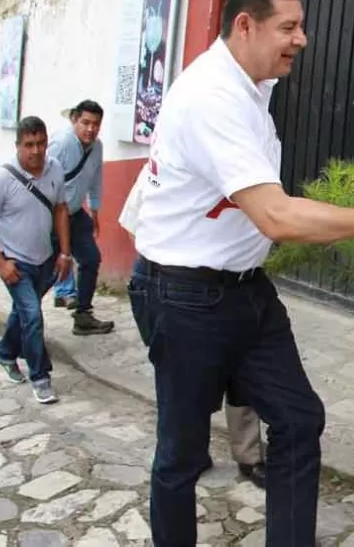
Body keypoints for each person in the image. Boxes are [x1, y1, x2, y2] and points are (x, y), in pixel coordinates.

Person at [127, 0, 354, 546]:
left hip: (243, 290)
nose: (302, 40)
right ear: (245, 24)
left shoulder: (251, 85)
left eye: (301, 26)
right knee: (181, 455)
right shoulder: (214, 97)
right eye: (289, 27)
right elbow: (278, 216)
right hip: (184, 296)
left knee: (297, 419)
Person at [120, 164, 267, 488]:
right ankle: (190, 452)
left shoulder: (242, 171)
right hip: (176, 292)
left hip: (233, 289)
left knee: (242, 376)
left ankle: (249, 456)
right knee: (184, 382)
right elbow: (133, 225)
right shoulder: (162, 170)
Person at [0, 116, 73, 405]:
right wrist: (0, 262)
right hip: (15, 262)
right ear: (18, 146)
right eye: (29, 145)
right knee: (32, 316)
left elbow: (60, 209)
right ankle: (41, 376)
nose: (36, 151)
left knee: (23, 313)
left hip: (45, 259)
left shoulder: (55, 169)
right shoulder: (2, 179)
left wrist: (64, 253)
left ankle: (5, 353)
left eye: (41, 144)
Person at [48, 99, 115, 336]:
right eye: (85, 122)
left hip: (75, 214)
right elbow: (41, 175)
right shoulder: (61, 143)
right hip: (50, 216)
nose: (90, 129)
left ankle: (83, 316)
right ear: (74, 120)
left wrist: (94, 211)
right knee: (43, 270)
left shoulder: (97, 147)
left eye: (95, 124)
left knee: (90, 258)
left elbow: (95, 179)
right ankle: (27, 319)